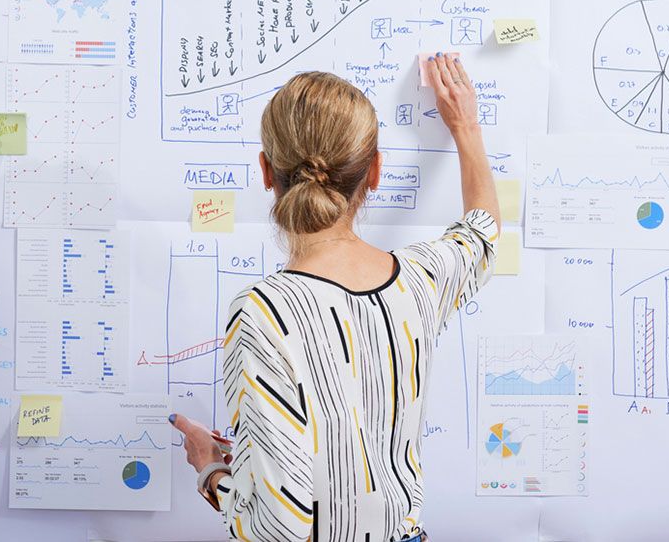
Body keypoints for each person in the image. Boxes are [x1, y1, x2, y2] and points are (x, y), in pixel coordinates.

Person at [171, 54, 499, 541]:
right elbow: (482, 234)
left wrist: (209, 473)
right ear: (375, 172)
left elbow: (279, 528)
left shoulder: (262, 313)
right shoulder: (420, 280)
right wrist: (466, 127)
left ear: (266, 172)